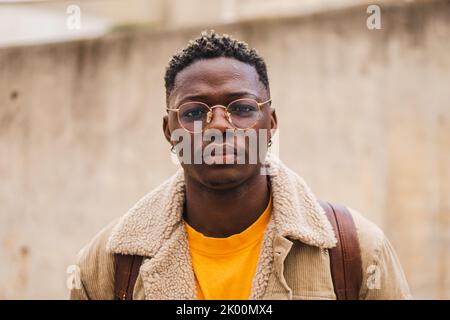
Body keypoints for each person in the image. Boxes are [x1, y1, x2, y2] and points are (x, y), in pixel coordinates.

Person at [70, 31, 411, 300]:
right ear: (168, 131)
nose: (219, 125)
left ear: (271, 123)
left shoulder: (355, 251)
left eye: (243, 108)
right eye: (193, 113)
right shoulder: (109, 264)